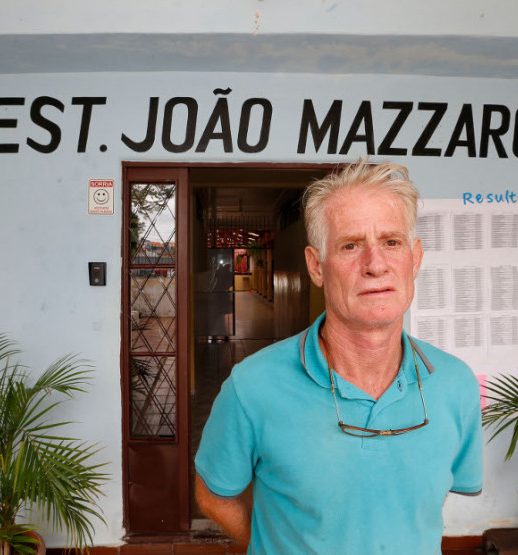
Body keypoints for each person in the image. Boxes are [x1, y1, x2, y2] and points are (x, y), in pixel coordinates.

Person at [194, 160, 483, 554]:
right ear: (316, 266)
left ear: (414, 259)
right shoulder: (252, 387)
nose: (375, 264)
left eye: (391, 242)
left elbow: (418, 506)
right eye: (350, 245)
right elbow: (214, 496)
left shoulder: (455, 383)